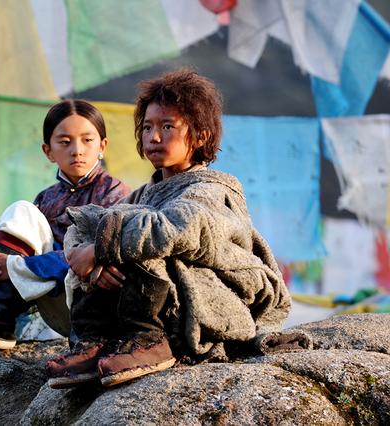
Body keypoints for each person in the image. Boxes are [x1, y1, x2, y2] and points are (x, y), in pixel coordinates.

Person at [45, 69, 292, 389]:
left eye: (167, 127)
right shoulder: (143, 195)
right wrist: (86, 258)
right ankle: (94, 343)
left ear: (200, 135)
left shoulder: (212, 190)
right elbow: (86, 223)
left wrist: (102, 248)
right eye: (147, 127)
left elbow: (178, 227)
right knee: (114, 235)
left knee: (145, 243)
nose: (153, 137)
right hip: (161, 297)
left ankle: (150, 341)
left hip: (207, 301)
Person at [0, 100, 130, 350]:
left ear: (103, 146)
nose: (77, 150)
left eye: (87, 140)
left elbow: (90, 257)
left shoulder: (116, 194)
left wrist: (14, 266)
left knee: (22, 220)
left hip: (93, 309)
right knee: (22, 211)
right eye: (65, 142)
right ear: (48, 151)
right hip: (56, 304)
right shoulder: (45, 199)